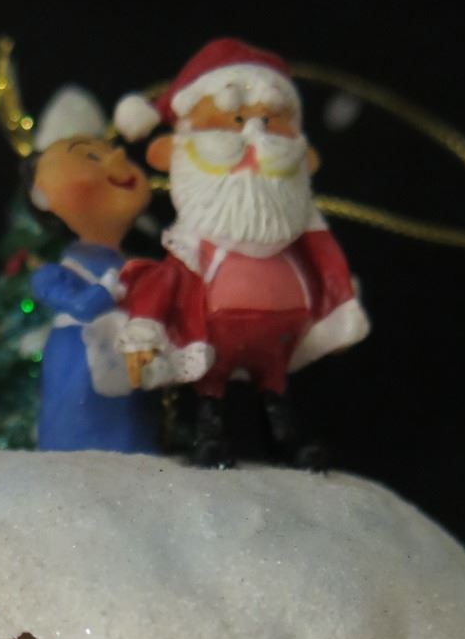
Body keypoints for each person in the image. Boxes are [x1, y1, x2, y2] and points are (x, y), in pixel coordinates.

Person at [112, 38, 369, 467]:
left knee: (276, 389)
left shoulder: (301, 226)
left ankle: (283, 439)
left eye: (270, 121)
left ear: (305, 156)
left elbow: (328, 266)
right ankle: (210, 434)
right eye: (233, 121)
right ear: (172, 153)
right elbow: (166, 281)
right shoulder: (191, 243)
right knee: (211, 386)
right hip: (213, 330)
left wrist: (340, 314)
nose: (254, 135)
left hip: (282, 336)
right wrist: (146, 327)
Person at [27, 87, 161, 454]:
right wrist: (109, 290)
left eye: (108, 150)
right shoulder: (52, 274)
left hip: (131, 376)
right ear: (42, 196)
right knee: (79, 441)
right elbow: (82, 305)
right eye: (90, 156)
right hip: (80, 367)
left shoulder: (140, 265)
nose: (116, 158)